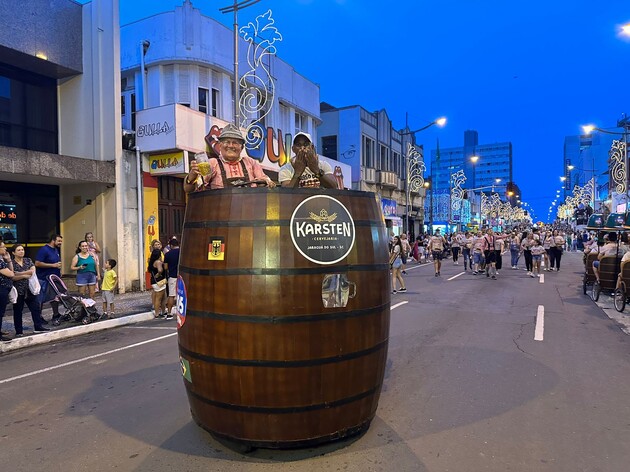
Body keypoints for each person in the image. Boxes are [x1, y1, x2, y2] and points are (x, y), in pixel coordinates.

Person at [184, 124, 276, 192]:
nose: (230, 146)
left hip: (249, 213)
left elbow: (266, 182)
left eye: (235, 142)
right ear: (220, 146)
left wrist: (266, 182)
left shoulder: (251, 162)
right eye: (227, 142)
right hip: (221, 214)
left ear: (242, 147)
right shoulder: (212, 163)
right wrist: (191, 177)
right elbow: (190, 189)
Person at [10, 244, 49, 337]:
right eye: (18, 250)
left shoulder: (28, 260)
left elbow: (32, 271)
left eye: (22, 249)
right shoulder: (11, 263)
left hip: (30, 289)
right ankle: (19, 331)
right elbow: (12, 276)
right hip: (18, 290)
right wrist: (23, 275)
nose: (21, 251)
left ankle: (38, 327)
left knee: (35, 308)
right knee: (18, 310)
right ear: (13, 252)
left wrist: (19, 273)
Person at [35, 234, 63, 325]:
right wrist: (52, 265)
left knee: (55, 298)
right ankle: (38, 317)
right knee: (41, 299)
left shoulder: (55, 250)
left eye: (61, 241)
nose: (60, 243)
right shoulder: (44, 250)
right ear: (53, 240)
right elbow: (38, 263)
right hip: (43, 278)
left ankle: (56, 314)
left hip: (53, 279)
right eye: (59, 241)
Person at [0, 241, 15, 341]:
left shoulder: (2, 260)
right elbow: (11, 274)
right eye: (3, 247)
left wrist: (9, 260)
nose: (5, 249)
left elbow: (11, 271)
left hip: (5, 289)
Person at [163, 237, 180, 320]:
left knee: (171, 295)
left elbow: (165, 267)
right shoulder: (182, 252)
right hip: (182, 276)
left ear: (171, 245)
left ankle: (169, 313)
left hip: (172, 276)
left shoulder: (168, 254)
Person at [148, 248, 167, 318]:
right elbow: (160, 270)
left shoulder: (152, 262)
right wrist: (159, 274)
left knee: (163, 297)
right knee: (159, 298)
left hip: (155, 282)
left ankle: (163, 311)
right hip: (159, 282)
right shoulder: (158, 262)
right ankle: (157, 313)